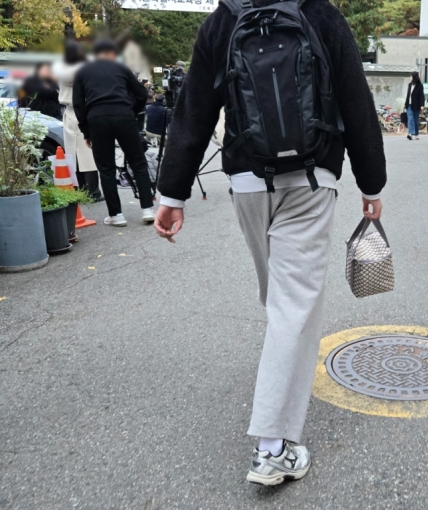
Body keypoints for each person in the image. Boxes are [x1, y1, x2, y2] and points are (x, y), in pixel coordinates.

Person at [154, 0, 386, 485]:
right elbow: (355, 99)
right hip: (311, 177)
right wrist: (371, 185)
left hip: (247, 181)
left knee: (279, 300)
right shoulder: (318, 12)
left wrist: (172, 193)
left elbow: (194, 107)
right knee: (292, 304)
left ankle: (275, 415)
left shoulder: (224, 18)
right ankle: (272, 448)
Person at [73, 39, 155, 227]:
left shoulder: (83, 71)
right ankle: (147, 209)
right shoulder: (121, 68)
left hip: (97, 118)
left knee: (106, 167)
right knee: (138, 162)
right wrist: (131, 111)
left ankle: (116, 215)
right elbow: (142, 94)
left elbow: (78, 104)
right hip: (123, 115)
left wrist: (86, 131)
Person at [52, 41, 102, 201]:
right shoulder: (77, 70)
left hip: (69, 113)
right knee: (88, 154)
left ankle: (80, 188)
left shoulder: (61, 68)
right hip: (81, 112)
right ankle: (93, 191)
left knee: (74, 154)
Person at [404, 71, 424, 140]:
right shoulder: (409, 85)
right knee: (410, 119)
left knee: (415, 120)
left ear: (414, 77)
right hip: (409, 105)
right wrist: (405, 104)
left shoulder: (420, 85)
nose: (410, 77)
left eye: (411, 76)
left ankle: (416, 134)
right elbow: (408, 95)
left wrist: (422, 105)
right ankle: (410, 133)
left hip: (416, 105)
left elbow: (422, 96)